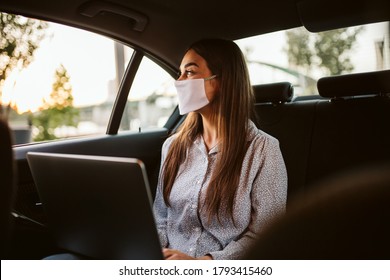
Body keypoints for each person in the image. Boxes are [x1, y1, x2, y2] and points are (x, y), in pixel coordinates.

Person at [153, 38, 288, 260]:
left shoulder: (263, 149)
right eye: (180, 73)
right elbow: (160, 218)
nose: (179, 81)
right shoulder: (172, 147)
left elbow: (266, 237)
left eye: (189, 72)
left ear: (222, 80)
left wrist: (204, 264)